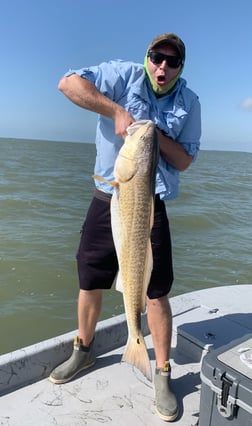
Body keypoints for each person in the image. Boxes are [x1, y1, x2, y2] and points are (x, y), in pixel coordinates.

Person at [49, 33, 201, 422]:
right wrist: (117, 111)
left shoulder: (189, 103)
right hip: (109, 195)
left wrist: (151, 135)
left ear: (180, 67)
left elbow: (183, 161)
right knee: (90, 279)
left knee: (155, 291)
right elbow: (68, 84)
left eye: (172, 62)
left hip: (151, 203)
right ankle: (83, 350)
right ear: (147, 57)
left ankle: (162, 372)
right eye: (156, 57)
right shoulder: (122, 75)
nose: (162, 67)